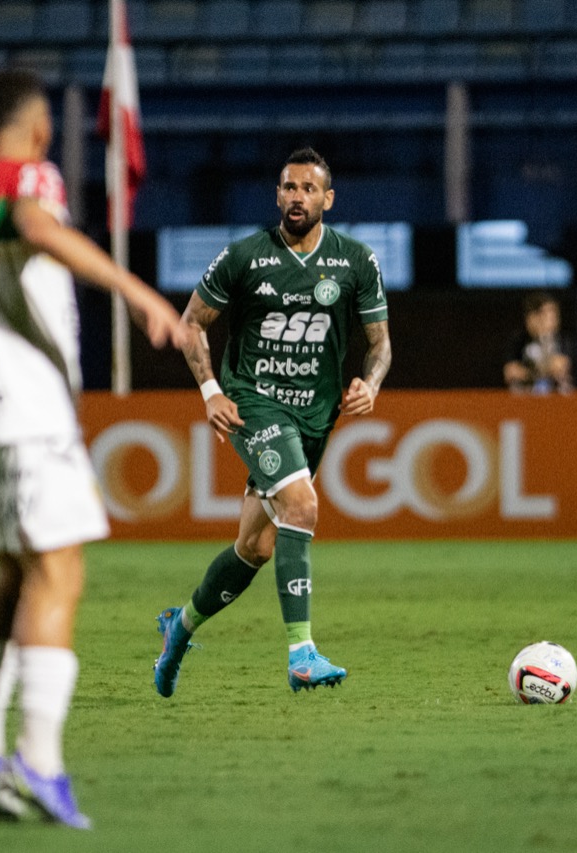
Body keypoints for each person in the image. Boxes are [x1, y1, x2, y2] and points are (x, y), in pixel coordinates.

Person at [0, 68, 187, 828]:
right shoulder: (28, 177)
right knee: (59, 569)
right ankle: (38, 759)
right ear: (40, 128)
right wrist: (141, 294)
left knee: (17, 573)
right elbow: (42, 230)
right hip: (23, 408)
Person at [153, 147, 392, 697]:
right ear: (277, 195)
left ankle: (180, 628)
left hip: (315, 418)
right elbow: (190, 324)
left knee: (256, 547)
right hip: (254, 404)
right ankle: (301, 652)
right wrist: (211, 392)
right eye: (288, 187)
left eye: (309, 189)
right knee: (302, 506)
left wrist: (370, 384)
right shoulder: (244, 257)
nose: (297, 197)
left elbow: (380, 344)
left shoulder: (356, 261)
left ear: (327, 199)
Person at [503, 291, 573, 394]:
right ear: (532, 317)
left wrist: (526, 373)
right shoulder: (519, 340)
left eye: (554, 315)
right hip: (525, 399)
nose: (552, 320)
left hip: (556, 400)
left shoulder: (562, 340)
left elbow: (559, 367)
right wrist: (545, 371)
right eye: (545, 314)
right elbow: (511, 372)